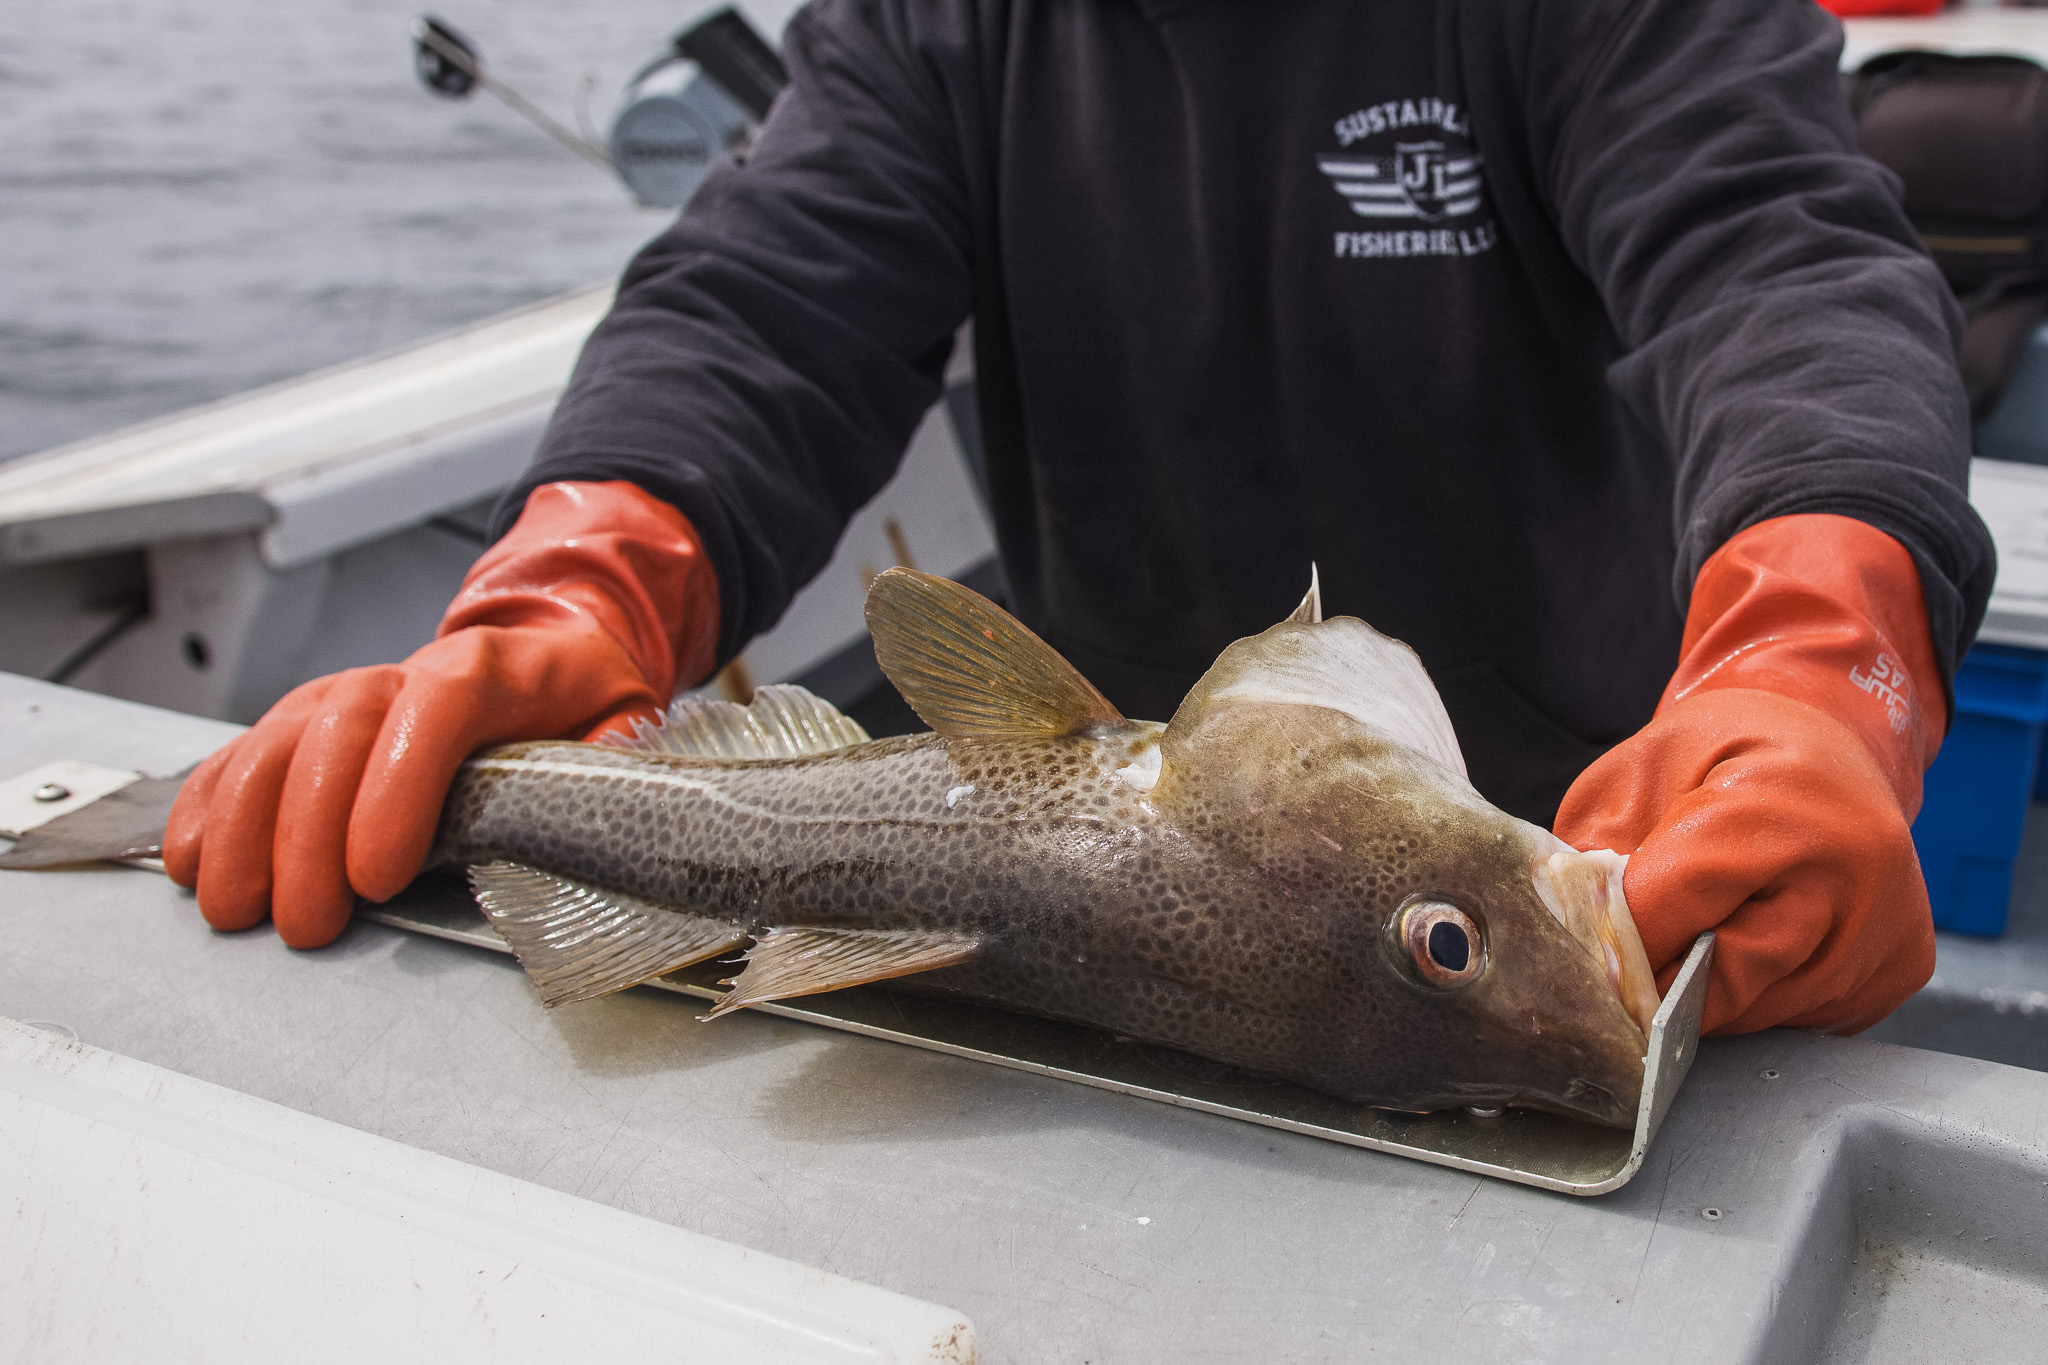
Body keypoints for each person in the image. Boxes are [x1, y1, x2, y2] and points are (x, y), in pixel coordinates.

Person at [165, 0, 1993, 1037]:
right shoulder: (942, 20)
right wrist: (574, 589)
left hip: (1572, 836)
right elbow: (762, 304)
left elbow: (1782, 267)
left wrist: (1817, 668)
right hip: (1092, 849)